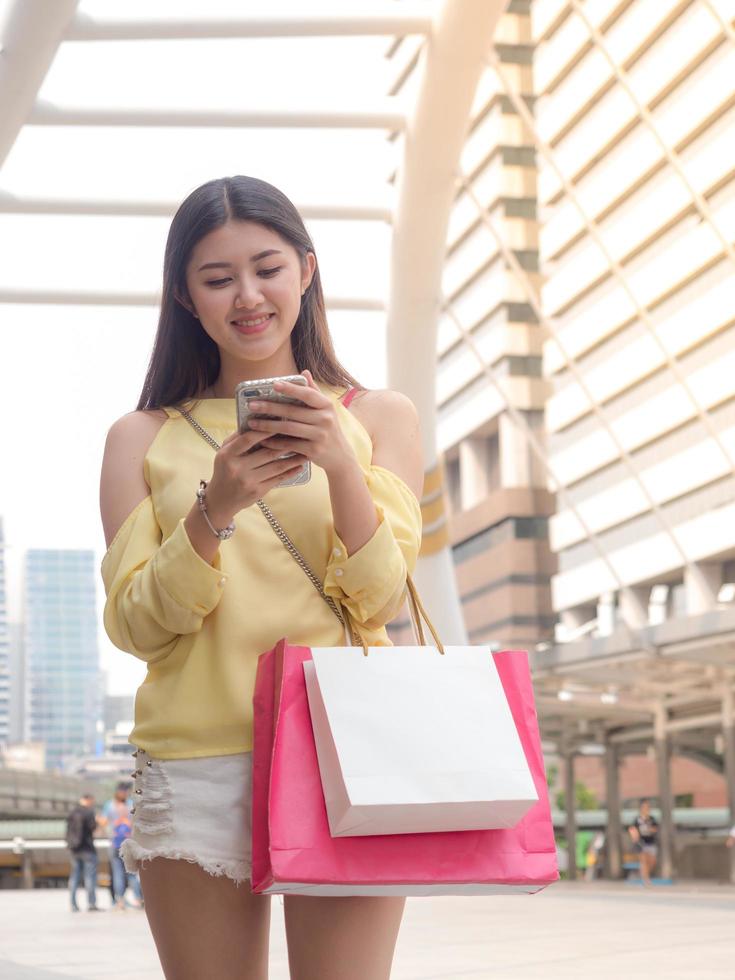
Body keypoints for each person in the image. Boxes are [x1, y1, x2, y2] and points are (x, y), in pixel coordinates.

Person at [99, 175, 423, 979]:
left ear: (306, 273)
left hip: (344, 748)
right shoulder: (140, 437)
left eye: (267, 268)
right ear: (186, 297)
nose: (247, 295)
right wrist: (218, 506)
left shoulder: (378, 416)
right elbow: (137, 625)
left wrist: (341, 463)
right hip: (196, 757)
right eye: (217, 278)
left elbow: (381, 599)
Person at [101, 781, 143, 910]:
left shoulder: (109, 805)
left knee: (117, 873)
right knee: (131, 873)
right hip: (128, 842)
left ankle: (120, 901)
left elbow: (103, 821)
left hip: (114, 842)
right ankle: (138, 898)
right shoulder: (131, 804)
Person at [66, 792, 103, 912]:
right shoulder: (88, 812)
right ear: (88, 800)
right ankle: (91, 904)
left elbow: (68, 831)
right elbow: (93, 828)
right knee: (90, 877)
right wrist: (97, 820)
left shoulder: (72, 812)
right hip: (87, 849)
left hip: (74, 849)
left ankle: (73, 904)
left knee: (74, 877)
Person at [628, 798, 659, 885]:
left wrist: (650, 829)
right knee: (643, 861)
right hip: (641, 842)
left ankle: (645, 874)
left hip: (651, 842)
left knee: (652, 861)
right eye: (644, 807)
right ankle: (646, 879)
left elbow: (655, 828)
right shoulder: (637, 819)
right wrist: (634, 836)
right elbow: (632, 829)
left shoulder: (652, 819)